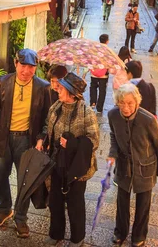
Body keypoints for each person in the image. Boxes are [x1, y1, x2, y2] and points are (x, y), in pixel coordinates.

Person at [0, 49, 52, 237]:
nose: (26, 71)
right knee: (1, 175)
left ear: (35, 68)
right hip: (4, 138)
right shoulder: (3, 83)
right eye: (23, 66)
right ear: (15, 64)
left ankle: (21, 218)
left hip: (27, 141)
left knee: (25, 182)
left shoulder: (42, 87)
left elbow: (47, 119)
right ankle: (4, 209)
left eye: (31, 67)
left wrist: (41, 138)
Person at [37, 73, 99, 247]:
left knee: (75, 203)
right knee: (55, 200)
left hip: (76, 168)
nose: (58, 89)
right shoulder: (56, 107)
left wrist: (71, 144)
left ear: (72, 93)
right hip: (56, 162)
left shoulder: (86, 112)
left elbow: (93, 140)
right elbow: (47, 127)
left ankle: (77, 238)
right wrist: (42, 139)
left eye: (62, 88)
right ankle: (56, 233)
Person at [107, 84, 158, 247]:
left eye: (130, 103)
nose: (126, 107)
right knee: (122, 202)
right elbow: (113, 135)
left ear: (137, 103)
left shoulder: (148, 119)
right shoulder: (112, 115)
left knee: (143, 204)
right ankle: (120, 232)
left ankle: (139, 236)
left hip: (145, 167)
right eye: (122, 103)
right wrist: (112, 153)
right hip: (123, 165)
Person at [90, 34, 110, 113]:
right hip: (103, 74)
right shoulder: (108, 50)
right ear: (107, 41)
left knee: (93, 87)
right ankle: (99, 108)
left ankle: (93, 102)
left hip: (94, 73)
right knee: (102, 90)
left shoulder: (95, 49)